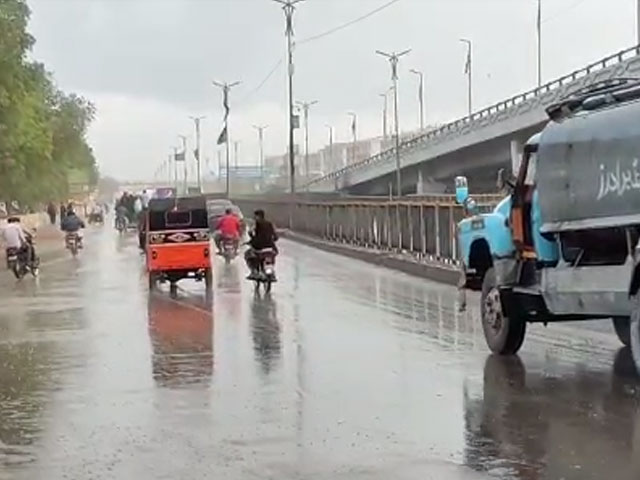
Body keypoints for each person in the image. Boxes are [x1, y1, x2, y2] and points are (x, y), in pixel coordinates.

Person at [244, 209, 278, 279]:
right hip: (270, 246)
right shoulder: (270, 224)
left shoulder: (256, 224)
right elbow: (275, 236)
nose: (254, 217)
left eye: (255, 216)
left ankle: (254, 271)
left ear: (258, 216)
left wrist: (251, 239)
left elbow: (251, 232)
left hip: (259, 246)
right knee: (272, 255)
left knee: (248, 254)